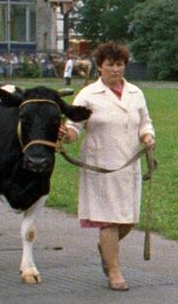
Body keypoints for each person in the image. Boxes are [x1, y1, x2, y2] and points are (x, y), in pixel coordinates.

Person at [62, 42, 154, 291]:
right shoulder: (88, 95)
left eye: (120, 64)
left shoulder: (135, 93)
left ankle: (106, 248)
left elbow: (144, 122)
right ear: (100, 66)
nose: (115, 69)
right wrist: (67, 135)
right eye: (110, 64)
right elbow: (74, 127)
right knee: (108, 221)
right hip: (100, 166)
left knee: (127, 221)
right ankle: (114, 271)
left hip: (128, 164)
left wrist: (147, 136)